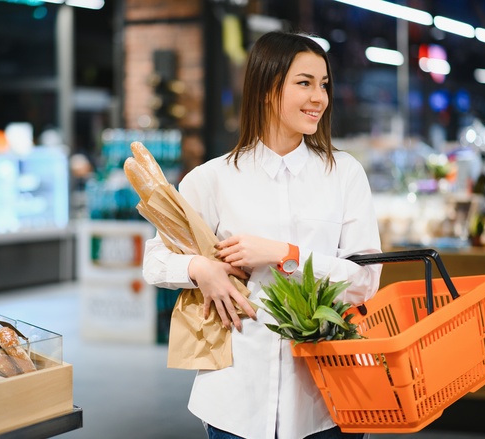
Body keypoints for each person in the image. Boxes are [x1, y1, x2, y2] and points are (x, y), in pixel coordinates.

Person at [142, 30, 382, 439]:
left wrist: (284, 254)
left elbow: (364, 281)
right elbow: (154, 259)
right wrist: (202, 268)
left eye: (324, 85)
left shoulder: (344, 175)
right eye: (304, 83)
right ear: (268, 89)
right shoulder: (212, 178)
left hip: (325, 401)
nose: (319, 98)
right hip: (235, 399)